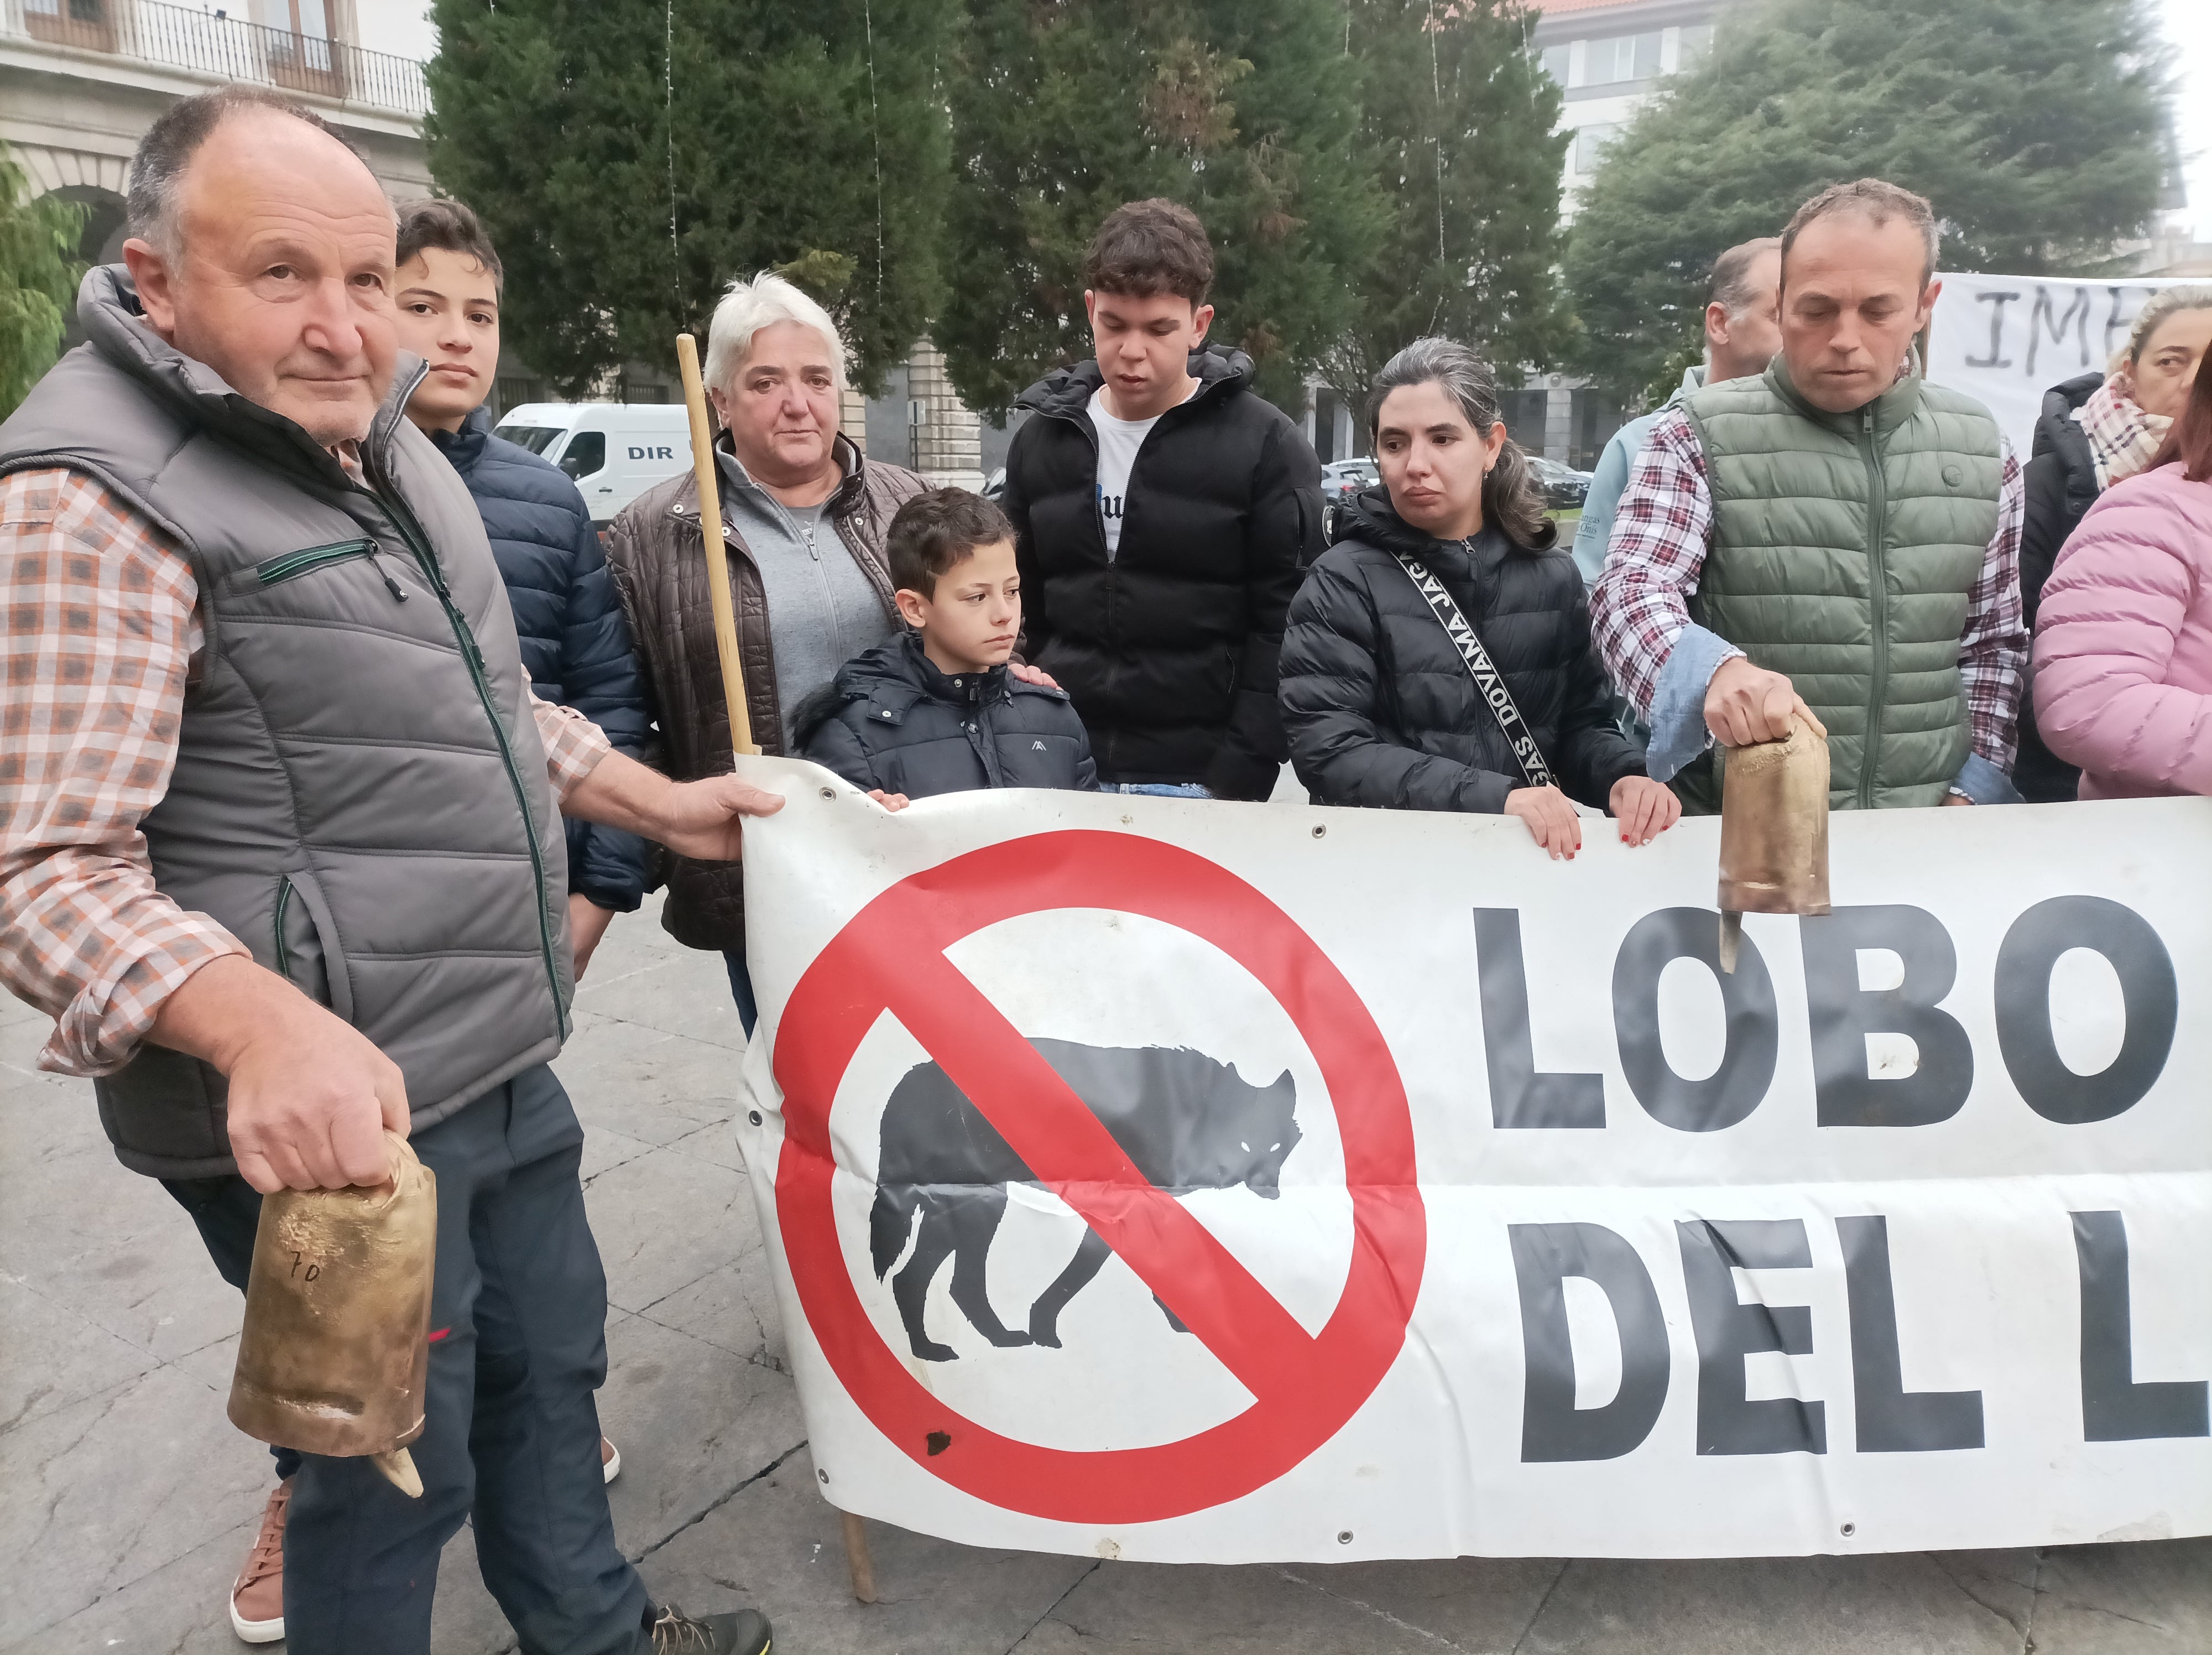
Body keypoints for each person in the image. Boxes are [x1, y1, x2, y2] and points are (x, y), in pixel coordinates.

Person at [0, 87, 777, 1655]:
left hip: (492, 1045)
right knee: (378, 1460)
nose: (347, 324)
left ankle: (596, 1635)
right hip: (326, 1119)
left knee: (553, 1367)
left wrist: (660, 799)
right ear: (156, 281)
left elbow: (487, 701)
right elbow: (43, 867)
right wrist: (253, 1026)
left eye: (369, 277)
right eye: (283, 274)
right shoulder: (92, 498)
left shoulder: (380, 447)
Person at [1593, 178, 2026, 813]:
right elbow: (1628, 593)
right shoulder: (1693, 433)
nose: (1845, 338)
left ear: (1923, 305)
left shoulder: (1985, 448)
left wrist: (1975, 787)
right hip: (1743, 830)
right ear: (1783, 299)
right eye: (1816, 310)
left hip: (1928, 839)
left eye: (1877, 311)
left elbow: (1993, 644)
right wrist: (1712, 672)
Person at [606, 272, 926, 1036]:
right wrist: (660, 846)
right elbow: (623, 716)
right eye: (767, 381)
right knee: (803, 1091)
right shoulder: (653, 533)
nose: (798, 402)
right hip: (765, 873)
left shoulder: (909, 504)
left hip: (908, 853)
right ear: (719, 400)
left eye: (817, 379)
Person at [1279, 338, 1680, 857]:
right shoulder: (1342, 580)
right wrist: (1498, 799)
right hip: (1383, 872)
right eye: (1395, 443)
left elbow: (1581, 724)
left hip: (1520, 874)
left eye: (1442, 438)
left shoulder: (1553, 579)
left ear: (1491, 445)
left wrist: (1622, 777)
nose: (1415, 464)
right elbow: (1330, 753)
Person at [392, 197, 654, 980]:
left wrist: (597, 899)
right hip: (375, 908)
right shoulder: (317, 483)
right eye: (423, 307)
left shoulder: (548, 498)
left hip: (526, 900)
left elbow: (610, 700)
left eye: (481, 314)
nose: (457, 336)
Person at [1001, 197, 1324, 801]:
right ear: (1090, 310)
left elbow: (1286, 628)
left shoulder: (1269, 446)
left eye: (1158, 329)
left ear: (1199, 324)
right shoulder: (1041, 442)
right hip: (1058, 773)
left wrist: (1239, 771)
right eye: (1115, 324)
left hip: (1201, 783)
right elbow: (1014, 602)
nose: (1132, 350)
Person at [2014, 285, 2212, 803]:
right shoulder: (2115, 498)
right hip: (2116, 816)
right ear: (2130, 369)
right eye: (2173, 361)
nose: (2192, 380)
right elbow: (2047, 666)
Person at [797, 488, 1097, 800]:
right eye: (977, 597)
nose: (1004, 614)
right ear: (914, 608)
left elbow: (1090, 838)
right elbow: (833, 842)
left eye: (1012, 591)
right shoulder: (855, 735)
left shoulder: (1055, 718)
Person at [1571, 237, 1782, 587]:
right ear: (1719, 323)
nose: (1803, 333)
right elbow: (1593, 588)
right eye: (1779, 316)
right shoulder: (1638, 445)